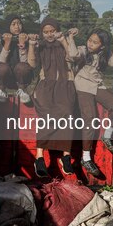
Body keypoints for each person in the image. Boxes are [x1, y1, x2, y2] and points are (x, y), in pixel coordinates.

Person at [72, 28, 113, 176]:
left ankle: (107, 135)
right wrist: (71, 39)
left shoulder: (106, 53)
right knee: (90, 119)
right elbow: (74, 54)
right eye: (90, 40)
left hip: (97, 85)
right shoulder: (84, 50)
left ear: (103, 45)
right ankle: (85, 158)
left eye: (95, 42)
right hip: (83, 85)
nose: (90, 44)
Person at [30, 17, 78, 178]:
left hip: (65, 83)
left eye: (52, 31)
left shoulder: (64, 41)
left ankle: (65, 156)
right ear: (42, 33)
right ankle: (39, 157)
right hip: (46, 85)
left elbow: (73, 57)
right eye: (46, 32)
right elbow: (32, 64)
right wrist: (31, 46)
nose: (50, 34)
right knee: (47, 114)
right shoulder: (40, 46)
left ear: (57, 31)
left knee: (68, 113)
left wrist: (64, 40)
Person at [0, 15, 36, 104]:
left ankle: (22, 90)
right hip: (7, 77)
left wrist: (22, 45)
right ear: (8, 26)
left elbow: (26, 64)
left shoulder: (26, 38)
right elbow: (1, 61)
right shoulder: (2, 38)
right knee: (1, 67)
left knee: (22, 66)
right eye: (13, 24)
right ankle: (2, 90)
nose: (17, 27)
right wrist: (7, 43)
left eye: (19, 24)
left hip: (22, 78)